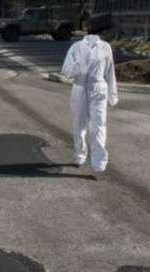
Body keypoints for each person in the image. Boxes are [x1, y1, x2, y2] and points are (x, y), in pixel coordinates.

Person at [61, 25, 118, 174]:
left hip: (99, 88)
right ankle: (80, 153)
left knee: (99, 125)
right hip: (79, 88)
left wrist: (112, 94)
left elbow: (110, 71)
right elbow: (66, 70)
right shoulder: (76, 47)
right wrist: (78, 67)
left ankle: (99, 161)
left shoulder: (105, 47)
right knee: (79, 124)